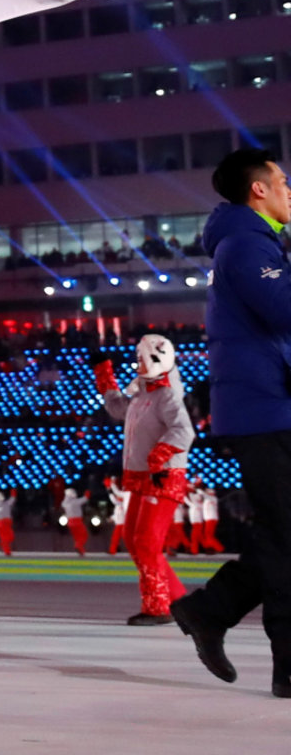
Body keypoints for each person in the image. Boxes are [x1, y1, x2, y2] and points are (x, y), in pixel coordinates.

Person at [172, 149, 291, 698]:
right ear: (258, 190)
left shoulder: (255, 243)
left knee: (281, 535)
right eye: (284, 182)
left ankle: (210, 609)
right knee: (285, 539)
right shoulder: (246, 245)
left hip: (270, 406)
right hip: (265, 410)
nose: (290, 190)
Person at [97, 336, 194, 625]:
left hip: (162, 477)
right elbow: (118, 411)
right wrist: (104, 375)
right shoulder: (143, 392)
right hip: (142, 476)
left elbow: (184, 431)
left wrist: (158, 458)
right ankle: (178, 600)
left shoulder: (167, 394)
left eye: (141, 358)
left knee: (146, 542)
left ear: (157, 359)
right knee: (133, 539)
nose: (137, 363)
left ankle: (158, 607)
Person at [61, 485, 91, 557]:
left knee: (77, 537)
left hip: (70, 522)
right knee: (84, 535)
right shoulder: (75, 502)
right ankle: (78, 546)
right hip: (77, 521)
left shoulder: (65, 503)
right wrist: (87, 493)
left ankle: (81, 550)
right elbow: (85, 499)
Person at [107, 476, 131, 555]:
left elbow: (115, 500)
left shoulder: (124, 500)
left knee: (122, 538)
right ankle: (112, 550)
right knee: (118, 538)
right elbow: (117, 512)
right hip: (121, 522)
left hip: (123, 523)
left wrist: (111, 486)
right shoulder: (121, 503)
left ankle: (113, 550)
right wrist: (112, 518)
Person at [0, 488, 17, 556]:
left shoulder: (5, 504)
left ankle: (3, 545)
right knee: (5, 537)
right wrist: (13, 494)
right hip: (2, 522)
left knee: (9, 537)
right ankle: (7, 551)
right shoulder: (1, 505)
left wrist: (13, 494)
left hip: (5, 522)